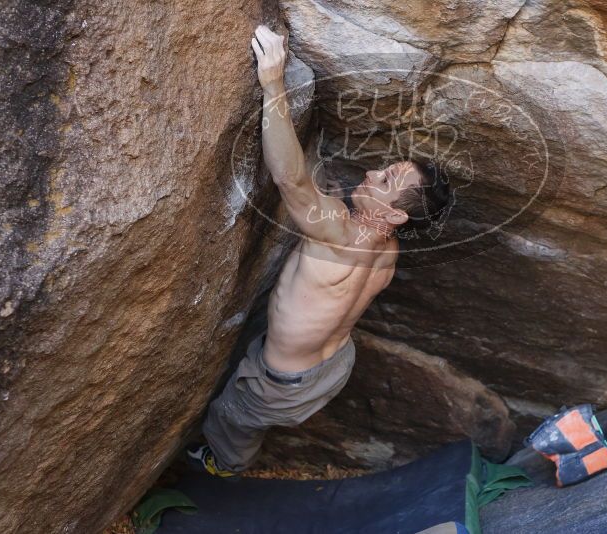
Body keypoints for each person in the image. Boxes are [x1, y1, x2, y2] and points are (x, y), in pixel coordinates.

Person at [187, 24, 450, 476]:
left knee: (231, 421)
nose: (371, 173)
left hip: (278, 382)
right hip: (332, 365)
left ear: (396, 216)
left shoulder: (339, 236)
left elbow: (291, 181)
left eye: (385, 182)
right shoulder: (387, 250)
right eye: (386, 168)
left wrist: (272, 80)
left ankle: (221, 468)